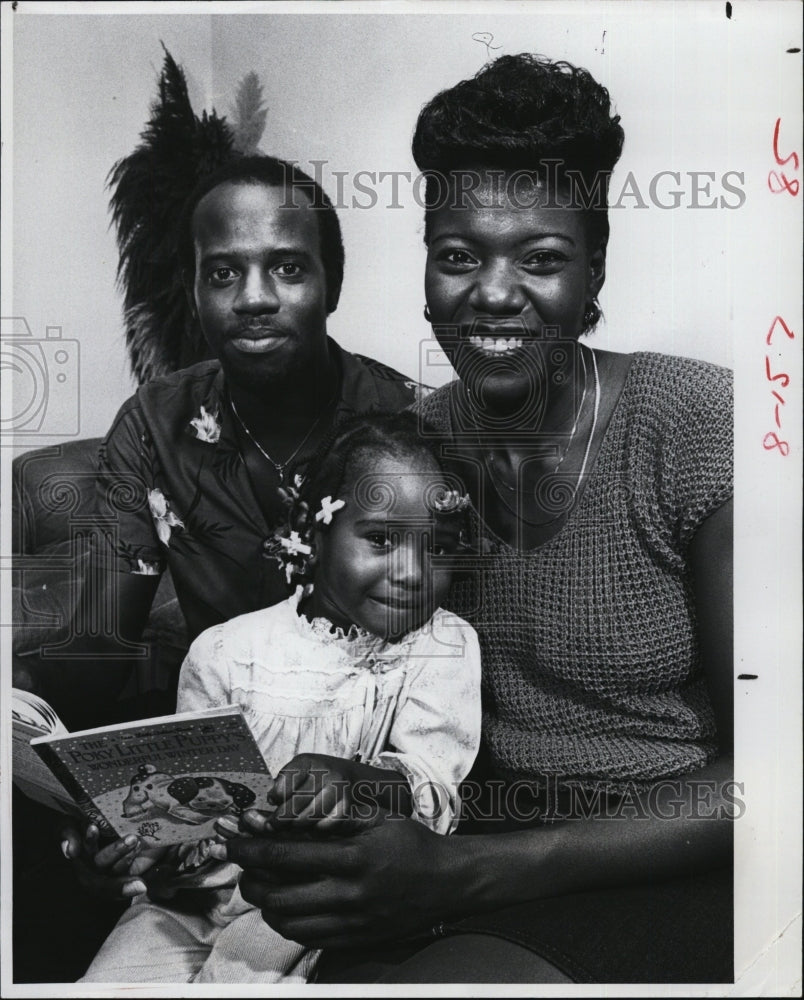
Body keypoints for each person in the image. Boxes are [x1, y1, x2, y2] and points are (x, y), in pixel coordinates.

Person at [221, 54, 735, 984]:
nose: (493, 294)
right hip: (464, 839)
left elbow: (777, 776)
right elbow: (356, 695)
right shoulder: (411, 454)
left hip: (671, 859)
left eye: (541, 259)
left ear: (594, 271)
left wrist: (466, 875)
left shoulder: (698, 423)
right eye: (458, 256)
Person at [68, 411, 481, 983]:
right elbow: (183, 808)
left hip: (304, 896)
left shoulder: (443, 644)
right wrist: (133, 845)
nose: (412, 573)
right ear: (313, 531)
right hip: (182, 902)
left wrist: (352, 780)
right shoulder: (226, 650)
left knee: (236, 984)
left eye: (438, 546)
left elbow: (435, 790)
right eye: (381, 539)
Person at [18, 154, 423, 729]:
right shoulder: (153, 427)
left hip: (370, 762)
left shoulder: (412, 424)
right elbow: (99, 652)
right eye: (223, 273)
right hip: (217, 748)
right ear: (193, 292)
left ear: (331, 285)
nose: (254, 298)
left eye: (287, 268)